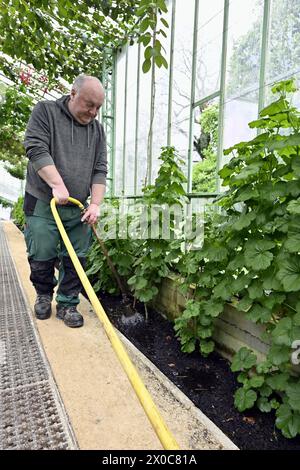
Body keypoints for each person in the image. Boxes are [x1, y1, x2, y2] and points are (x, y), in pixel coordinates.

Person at [23, 75, 107, 328]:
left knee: (77, 257)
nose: (93, 112)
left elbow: (100, 169)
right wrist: (57, 184)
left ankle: (68, 303)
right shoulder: (45, 112)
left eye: (98, 107)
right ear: (73, 94)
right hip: (42, 201)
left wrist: (95, 204)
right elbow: (35, 147)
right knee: (42, 252)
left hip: (78, 206)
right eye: (89, 105)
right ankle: (43, 294)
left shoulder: (97, 130)